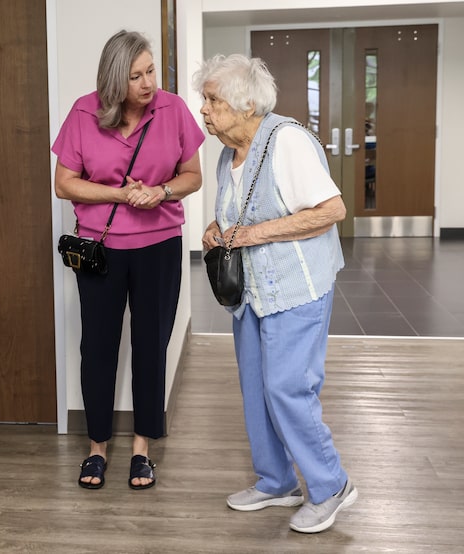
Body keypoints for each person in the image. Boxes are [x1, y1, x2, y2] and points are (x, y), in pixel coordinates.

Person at [193, 53, 357, 533]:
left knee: (288, 388)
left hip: (295, 288)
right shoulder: (230, 153)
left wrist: (250, 236)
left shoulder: (286, 142)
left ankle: (332, 486)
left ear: (246, 105)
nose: (204, 109)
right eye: (205, 99)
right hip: (251, 292)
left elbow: (332, 210)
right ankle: (276, 481)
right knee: (255, 389)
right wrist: (216, 227)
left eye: (212, 100)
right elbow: (240, 212)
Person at [52, 30, 204, 490]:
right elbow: (65, 183)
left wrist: (162, 192)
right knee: (97, 347)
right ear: (113, 81)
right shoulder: (83, 111)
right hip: (102, 250)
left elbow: (193, 176)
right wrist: (119, 193)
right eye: (135, 76)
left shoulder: (173, 109)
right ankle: (96, 449)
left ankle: (142, 449)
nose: (147, 83)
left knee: (150, 344)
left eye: (151, 71)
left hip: (159, 245)